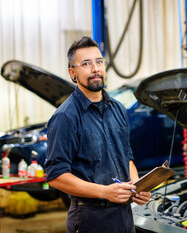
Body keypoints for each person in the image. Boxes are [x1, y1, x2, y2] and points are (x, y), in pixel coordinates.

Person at [44, 36, 151, 233]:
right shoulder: (65, 117)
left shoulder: (118, 109)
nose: (95, 69)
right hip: (90, 218)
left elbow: (126, 156)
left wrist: (137, 187)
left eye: (99, 62)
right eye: (86, 64)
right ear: (73, 73)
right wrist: (105, 192)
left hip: (124, 215)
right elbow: (55, 175)